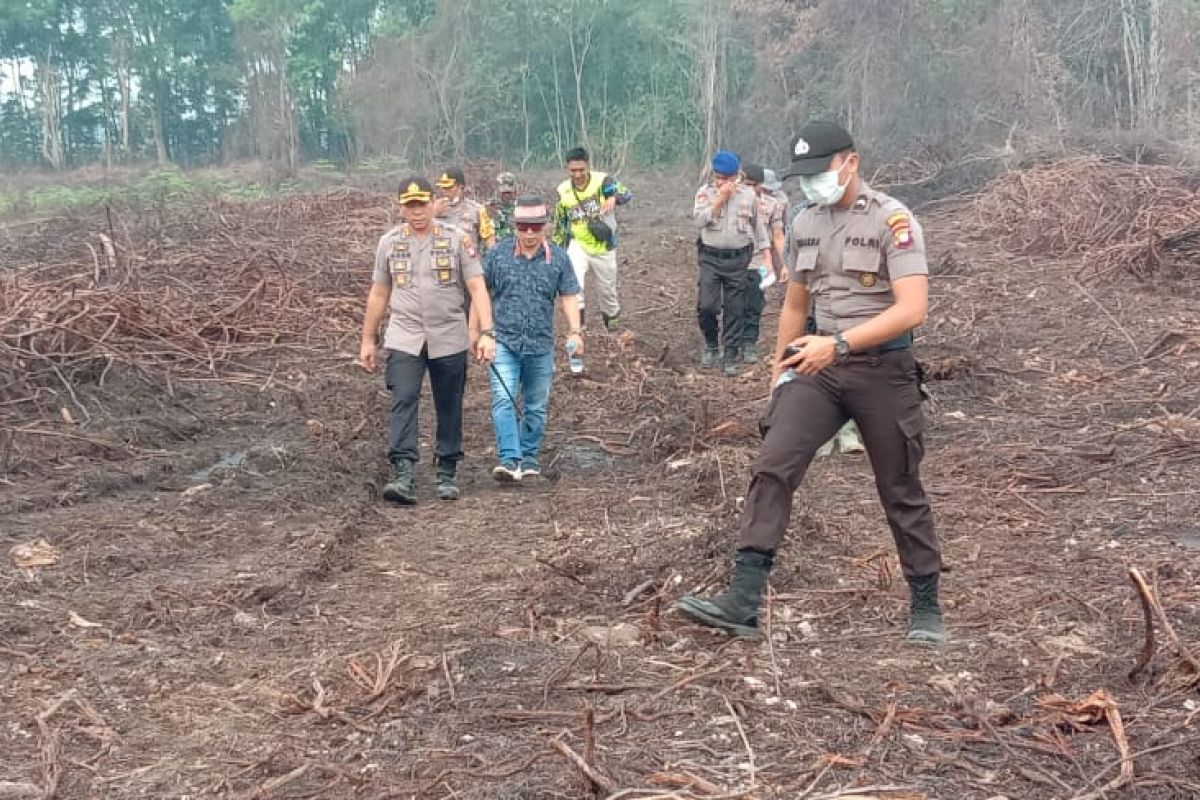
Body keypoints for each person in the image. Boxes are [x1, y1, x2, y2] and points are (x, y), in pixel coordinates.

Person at [676, 121, 946, 645]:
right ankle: (743, 601)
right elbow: (796, 306)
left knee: (900, 486)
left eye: (818, 171)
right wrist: (780, 373)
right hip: (816, 365)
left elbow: (914, 309)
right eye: (803, 176)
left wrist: (841, 344)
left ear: (850, 161)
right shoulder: (804, 222)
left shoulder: (893, 219)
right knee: (773, 464)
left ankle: (926, 605)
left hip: (882, 369)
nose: (810, 184)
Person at [360, 177, 496, 505]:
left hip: (448, 335)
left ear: (434, 203)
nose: (417, 211)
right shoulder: (389, 243)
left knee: (448, 402)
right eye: (410, 206)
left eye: (422, 204)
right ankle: (403, 471)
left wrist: (486, 333)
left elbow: (477, 287)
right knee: (403, 398)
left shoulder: (457, 239)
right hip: (404, 336)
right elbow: (379, 293)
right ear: (400, 207)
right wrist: (367, 339)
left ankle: (446, 470)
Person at [476, 195, 583, 482]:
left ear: (545, 226)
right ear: (515, 227)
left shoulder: (559, 258)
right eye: (524, 227)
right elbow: (480, 294)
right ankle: (510, 460)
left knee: (536, 405)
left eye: (535, 227)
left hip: (540, 344)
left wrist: (575, 331)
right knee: (503, 399)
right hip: (504, 342)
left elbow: (569, 296)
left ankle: (529, 455)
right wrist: (479, 334)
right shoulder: (497, 256)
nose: (530, 233)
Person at [692, 150, 770, 377]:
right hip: (710, 258)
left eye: (726, 178)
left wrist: (766, 256)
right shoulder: (705, 193)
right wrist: (719, 200)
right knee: (707, 305)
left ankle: (730, 354)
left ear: (736, 176)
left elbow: (759, 228)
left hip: (738, 259)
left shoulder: (748, 195)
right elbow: (698, 220)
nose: (721, 182)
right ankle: (711, 345)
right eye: (718, 177)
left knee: (736, 309)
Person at [553, 146, 631, 331]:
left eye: (581, 169)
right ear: (567, 168)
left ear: (588, 166)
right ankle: (578, 330)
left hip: (604, 246)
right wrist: (556, 249)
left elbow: (627, 194)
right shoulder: (563, 190)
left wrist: (613, 197)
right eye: (573, 170)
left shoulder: (602, 180)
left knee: (608, 293)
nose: (578, 174)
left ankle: (613, 329)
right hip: (578, 244)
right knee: (575, 286)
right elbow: (560, 223)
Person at [739, 163, 787, 364]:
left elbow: (778, 234)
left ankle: (749, 343)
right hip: (733, 258)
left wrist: (784, 264)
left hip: (758, 259)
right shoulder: (733, 200)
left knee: (754, 302)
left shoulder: (774, 205)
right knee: (733, 303)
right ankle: (731, 343)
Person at [435, 167, 497, 252]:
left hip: (469, 261)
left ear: (462, 188)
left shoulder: (477, 210)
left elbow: (490, 241)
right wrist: (433, 214)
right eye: (443, 188)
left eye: (449, 188)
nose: (445, 191)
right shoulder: (433, 209)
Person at [489, 172, 519, 241]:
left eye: (509, 192)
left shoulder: (521, 209)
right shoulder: (489, 208)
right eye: (504, 192)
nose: (507, 195)